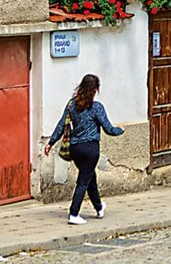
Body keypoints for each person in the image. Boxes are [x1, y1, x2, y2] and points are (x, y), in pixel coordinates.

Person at [44, 73, 124, 225]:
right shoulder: (96, 108)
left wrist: (50, 142)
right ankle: (74, 213)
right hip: (90, 150)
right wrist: (121, 130)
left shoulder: (71, 105)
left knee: (89, 177)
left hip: (75, 149)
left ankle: (99, 207)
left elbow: (61, 125)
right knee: (83, 182)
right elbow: (109, 129)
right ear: (96, 90)